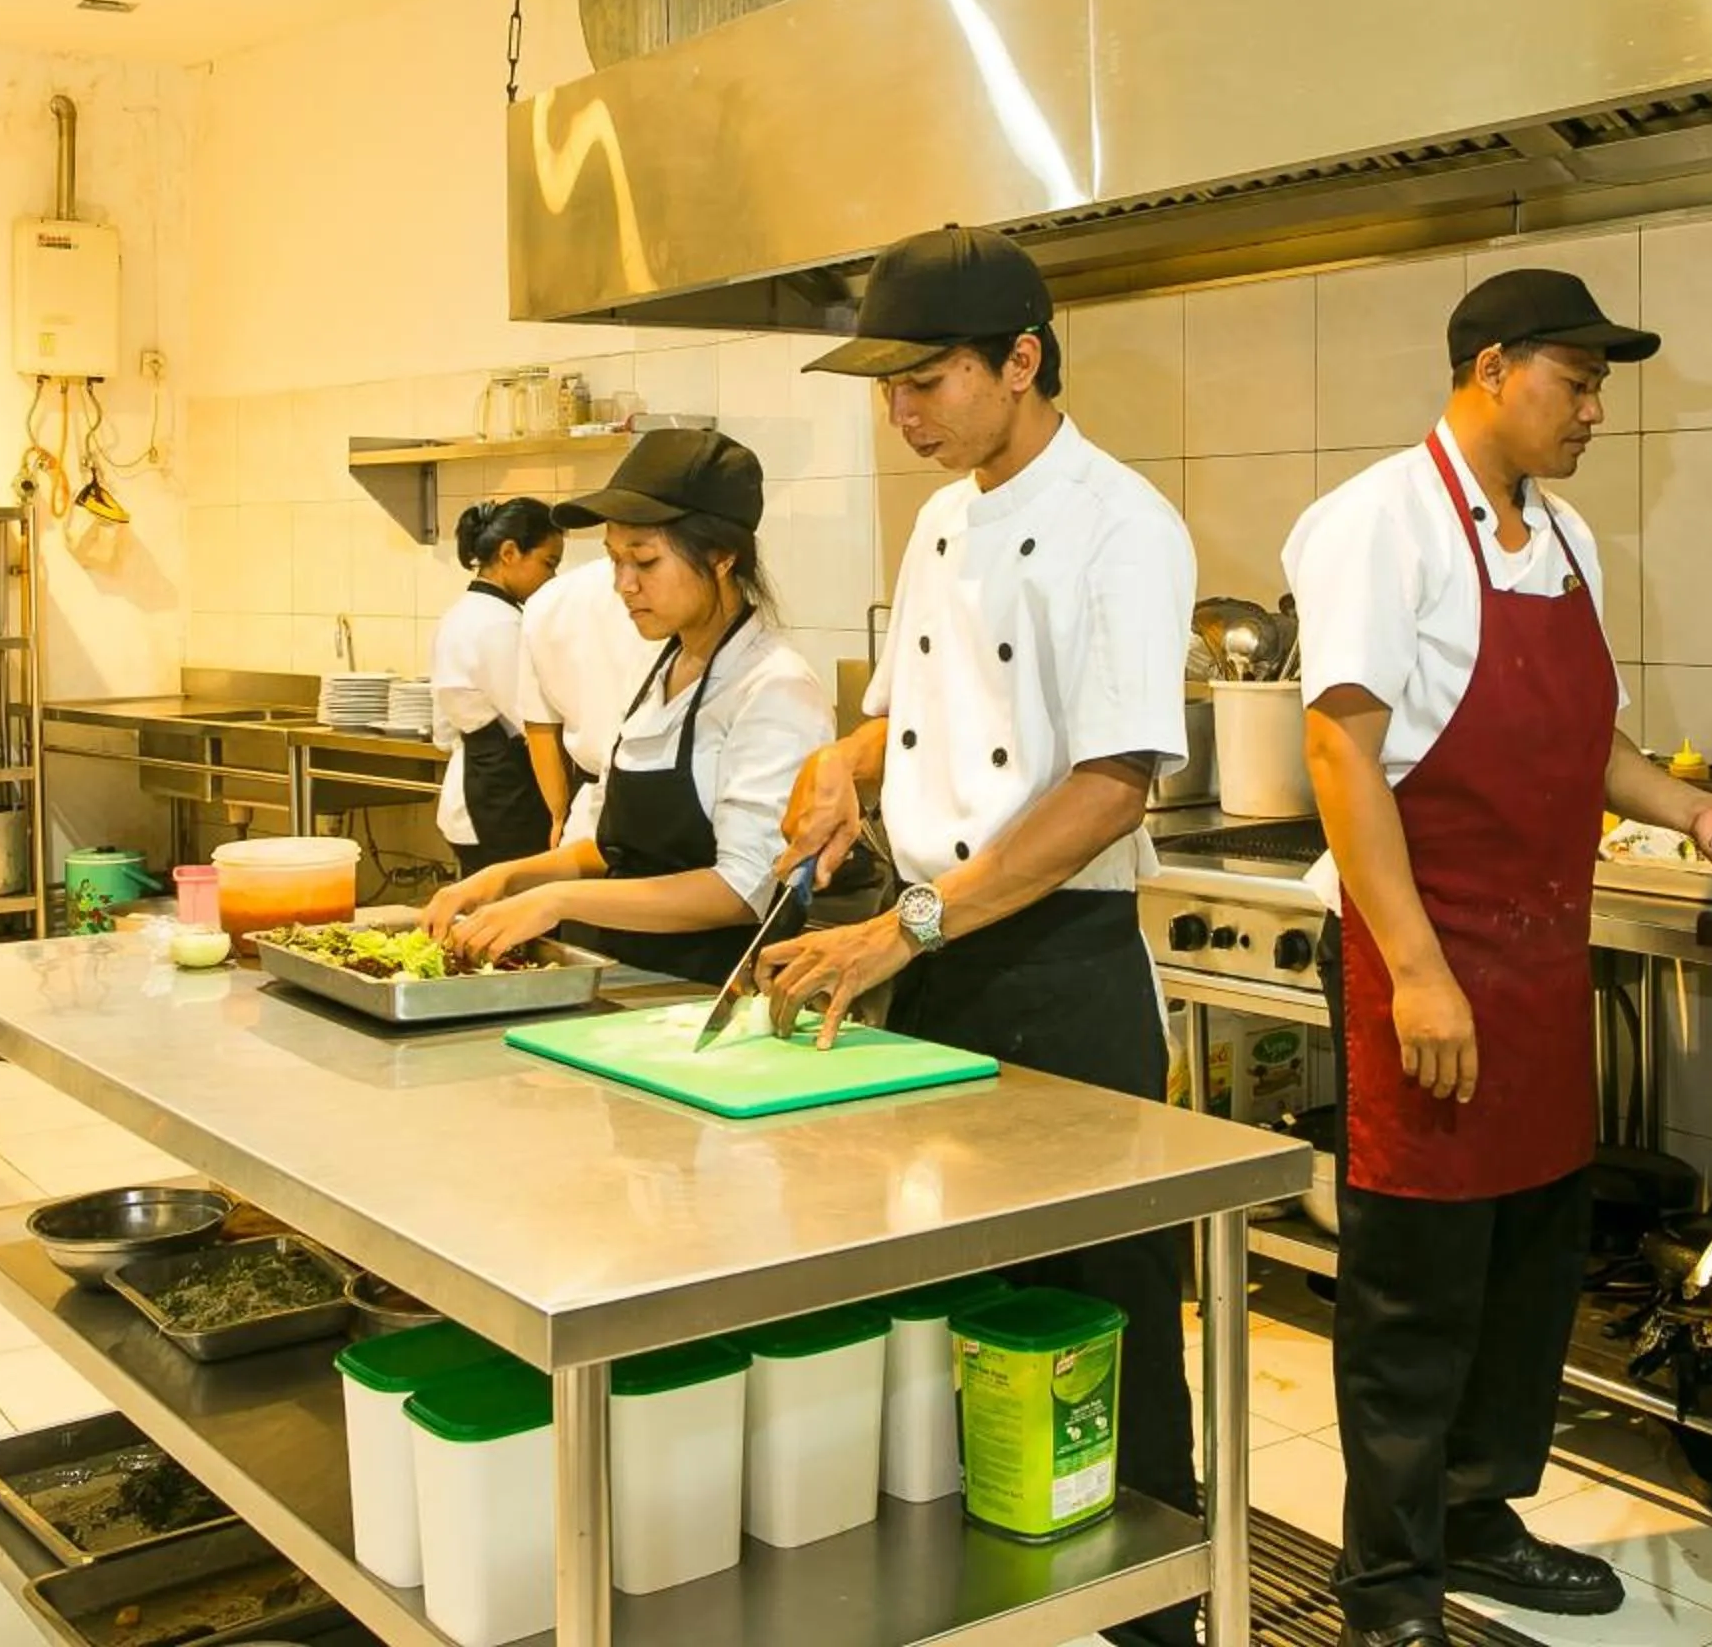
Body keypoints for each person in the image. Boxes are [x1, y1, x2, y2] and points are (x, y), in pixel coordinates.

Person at [1282, 269, 1712, 1647]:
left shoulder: (1562, 535)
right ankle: (1386, 1587)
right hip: (1427, 959)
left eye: (1600, 389)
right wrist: (1419, 969)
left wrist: (1700, 810)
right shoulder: (1374, 525)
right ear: (1494, 366)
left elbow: (1592, 749)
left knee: (1525, 1266)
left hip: (1538, 961)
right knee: (1414, 1288)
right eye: (1576, 383)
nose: (1593, 412)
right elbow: (1341, 752)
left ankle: (1477, 1518)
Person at [758, 224, 1201, 1647]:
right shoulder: (944, 515)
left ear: (1023, 358)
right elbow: (910, 709)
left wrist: (909, 924)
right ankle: (1006, 1608)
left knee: (1107, 1319)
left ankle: (1157, 1620)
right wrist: (847, 760)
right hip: (944, 961)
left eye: (926, 378)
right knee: (961, 1305)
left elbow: (1113, 780)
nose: (902, 411)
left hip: (1061, 968)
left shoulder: (1126, 525)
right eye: (886, 385)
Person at [423, 429, 830, 984]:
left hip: (710, 991)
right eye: (615, 561)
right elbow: (616, 851)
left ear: (721, 557)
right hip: (632, 981)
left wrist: (561, 901)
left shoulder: (773, 688)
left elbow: (740, 891)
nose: (623, 585)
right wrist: (504, 879)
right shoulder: (663, 667)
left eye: (644, 562)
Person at [431, 497, 561, 876]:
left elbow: (442, 732)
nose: (551, 579)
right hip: (503, 798)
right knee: (513, 921)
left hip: (468, 792)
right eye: (548, 563)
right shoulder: (501, 625)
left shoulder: (457, 614)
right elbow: (532, 723)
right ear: (509, 553)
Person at [518, 550, 654, 846]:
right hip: (658, 805)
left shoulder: (549, 598)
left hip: (586, 816)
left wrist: (558, 814)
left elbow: (540, 725)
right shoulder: (675, 593)